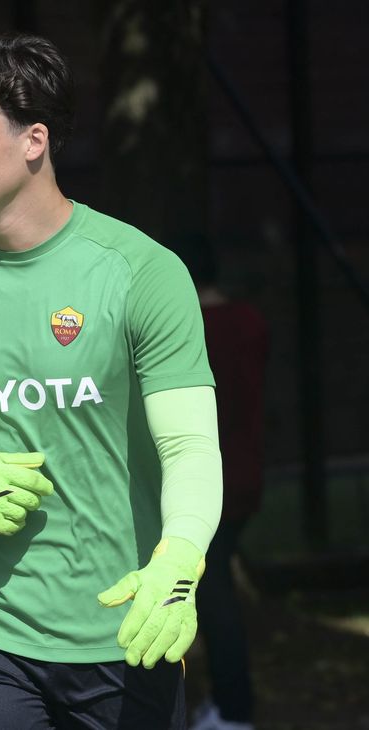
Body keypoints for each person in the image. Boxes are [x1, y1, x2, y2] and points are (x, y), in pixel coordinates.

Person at [0, 34, 222, 728]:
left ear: (34, 142)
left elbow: (191, 449)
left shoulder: (142, 272)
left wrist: (179, 558)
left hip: (123, 626)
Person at [186, 248, 267, 730]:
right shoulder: (250, 322)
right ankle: (227, 703)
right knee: (214, 585)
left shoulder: (193, 330)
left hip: (208, 476)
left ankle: (233, 710)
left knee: (213, 594)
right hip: (245, 470)